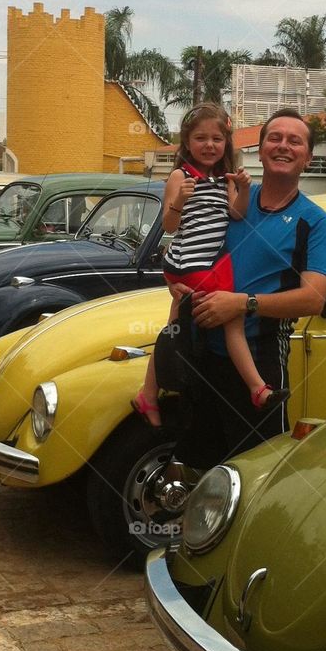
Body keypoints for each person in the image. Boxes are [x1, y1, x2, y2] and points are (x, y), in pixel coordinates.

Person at [170, 108, 326, 473]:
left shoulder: (314, 223)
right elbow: (184, 244)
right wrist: (178, 285)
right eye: (274, 138)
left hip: (258, 360)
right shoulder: (230, 203)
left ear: (308, 158)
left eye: (294, 141)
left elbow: (313, 298)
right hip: (201, 350)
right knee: (196, 466)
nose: (283, 146)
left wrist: (241, 304)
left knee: (257, 471)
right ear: (260, 150)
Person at [132, 103, 288, 426]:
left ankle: (147, 394)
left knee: (174, 327)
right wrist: (179, 200)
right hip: (191, 261)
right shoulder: (180, 176)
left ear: (226, 143)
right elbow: (170, 226)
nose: (209, 145)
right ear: (187, 143)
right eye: (201, 138)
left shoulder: (225, 177)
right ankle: (257, 388)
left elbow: (237, 213)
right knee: (232, 322)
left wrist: (243, 189)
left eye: (217, 139)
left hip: (201, 264)